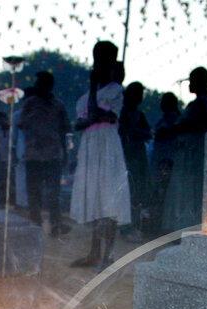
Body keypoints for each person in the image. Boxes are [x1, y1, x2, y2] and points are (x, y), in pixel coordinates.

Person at [69, 40, 131, 268]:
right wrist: (91, 116)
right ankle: (94, 253)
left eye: (106, 60)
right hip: (90, 148)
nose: (100, 64)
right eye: (98, 59)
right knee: (94, 197)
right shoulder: (84, 97)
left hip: (107, 148)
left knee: (109, 198)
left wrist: (94, 88)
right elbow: (80, 123)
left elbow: (100, 115)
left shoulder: (115, 90)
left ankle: (108, 254)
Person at [161, 67, 207, 233]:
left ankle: (185, 227)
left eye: (191, 81)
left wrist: (174, 128)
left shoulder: (201, 104)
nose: (188, 85)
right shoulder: (202, 103)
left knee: (187, 189)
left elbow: (193, 125)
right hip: (189, 153)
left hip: (192, 154)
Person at [19, 71, 71, 235]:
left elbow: (64, 130)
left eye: (40, 83)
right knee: (34, 192)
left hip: (52, 155)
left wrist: (65, 154)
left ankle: (55, 225)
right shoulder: (30, 104)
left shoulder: (59, 105)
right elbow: (21, 124)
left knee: (53, 193)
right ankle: (35, 225)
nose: (37, 86)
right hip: (34, 155)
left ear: (48, 85)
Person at [119, 81, 152, 240]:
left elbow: (147, 133)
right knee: (127, 192)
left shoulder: (139, 115)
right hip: (126, 157)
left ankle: (132, 226)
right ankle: (126, 227)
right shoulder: (122, 113)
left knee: (136, 192)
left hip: (137, 157)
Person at [150, 92, 181, 237]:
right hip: (161, 159)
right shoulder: (168, 119)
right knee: (160, 194)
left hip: (166, 161)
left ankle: (162, 227)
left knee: (163, 193)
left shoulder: (173, 119)